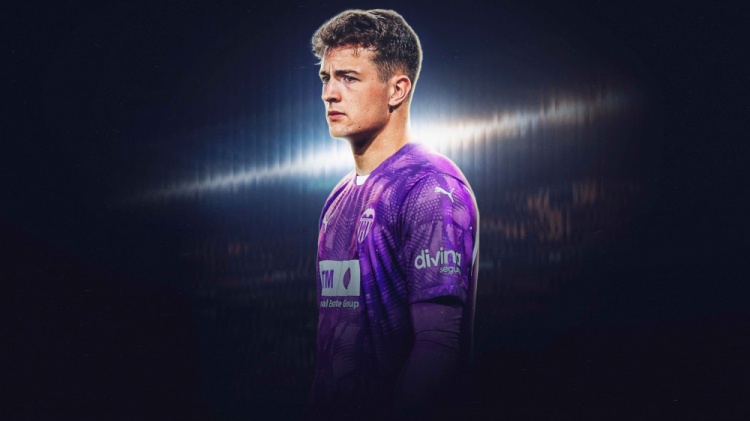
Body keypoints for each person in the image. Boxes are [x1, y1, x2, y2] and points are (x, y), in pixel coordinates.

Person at [309, 9, 479, 419]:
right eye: (326, 78)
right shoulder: (337, 197)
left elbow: (438, 347)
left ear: (397, 90)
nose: (329, 93)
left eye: (349, 78)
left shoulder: (430, 187)